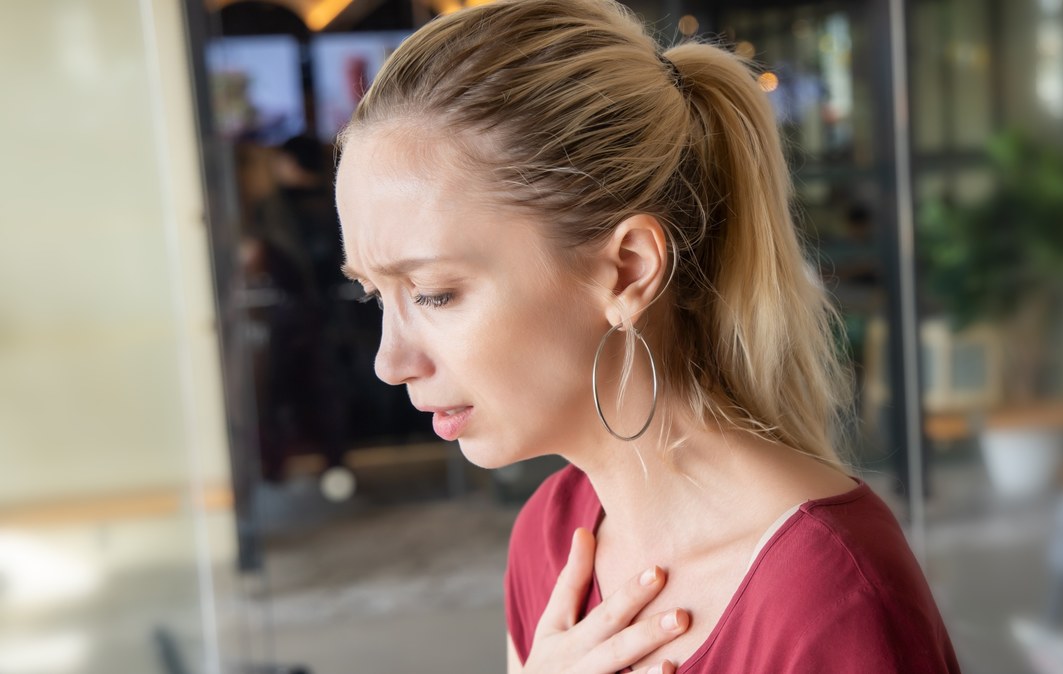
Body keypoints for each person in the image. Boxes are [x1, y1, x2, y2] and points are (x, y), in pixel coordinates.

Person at [333, 0, 961, 671]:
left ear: (628, 269)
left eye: (435, 293)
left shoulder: (826, 597)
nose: (389, 362)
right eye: (376, 295)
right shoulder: (550, 540)